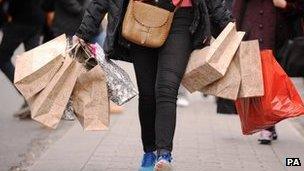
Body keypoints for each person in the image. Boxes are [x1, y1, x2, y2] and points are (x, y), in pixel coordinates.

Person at [76, 0, 231, 170]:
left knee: (167, 88)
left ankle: (164, 155)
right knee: (148, 93)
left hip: (180, 18)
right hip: (141, 15)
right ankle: (149, 152)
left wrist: (228, 26)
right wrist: (84, 31)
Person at [233, 0, 304, 145]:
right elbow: (238, 8)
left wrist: (285, 5)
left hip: (280, 39)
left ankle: (269, 123)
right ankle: (267, 126)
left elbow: (299, 7)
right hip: (253, 34)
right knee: (262, 83)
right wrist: (233, 34)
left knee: (273, 84)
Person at [0, 0, 44, 119]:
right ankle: (34, 99)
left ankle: (29, 95)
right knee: (31, 61)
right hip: (36, 18)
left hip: (21, 21)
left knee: (2, 58)